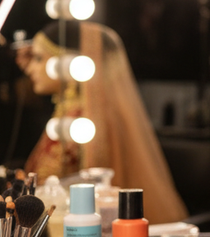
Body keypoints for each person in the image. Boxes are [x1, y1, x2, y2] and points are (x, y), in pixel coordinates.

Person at [18, 20, 188, 224]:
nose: (30, 68)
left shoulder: (88, 121)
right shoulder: (67, 115)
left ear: (68, 63)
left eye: (38, 58)